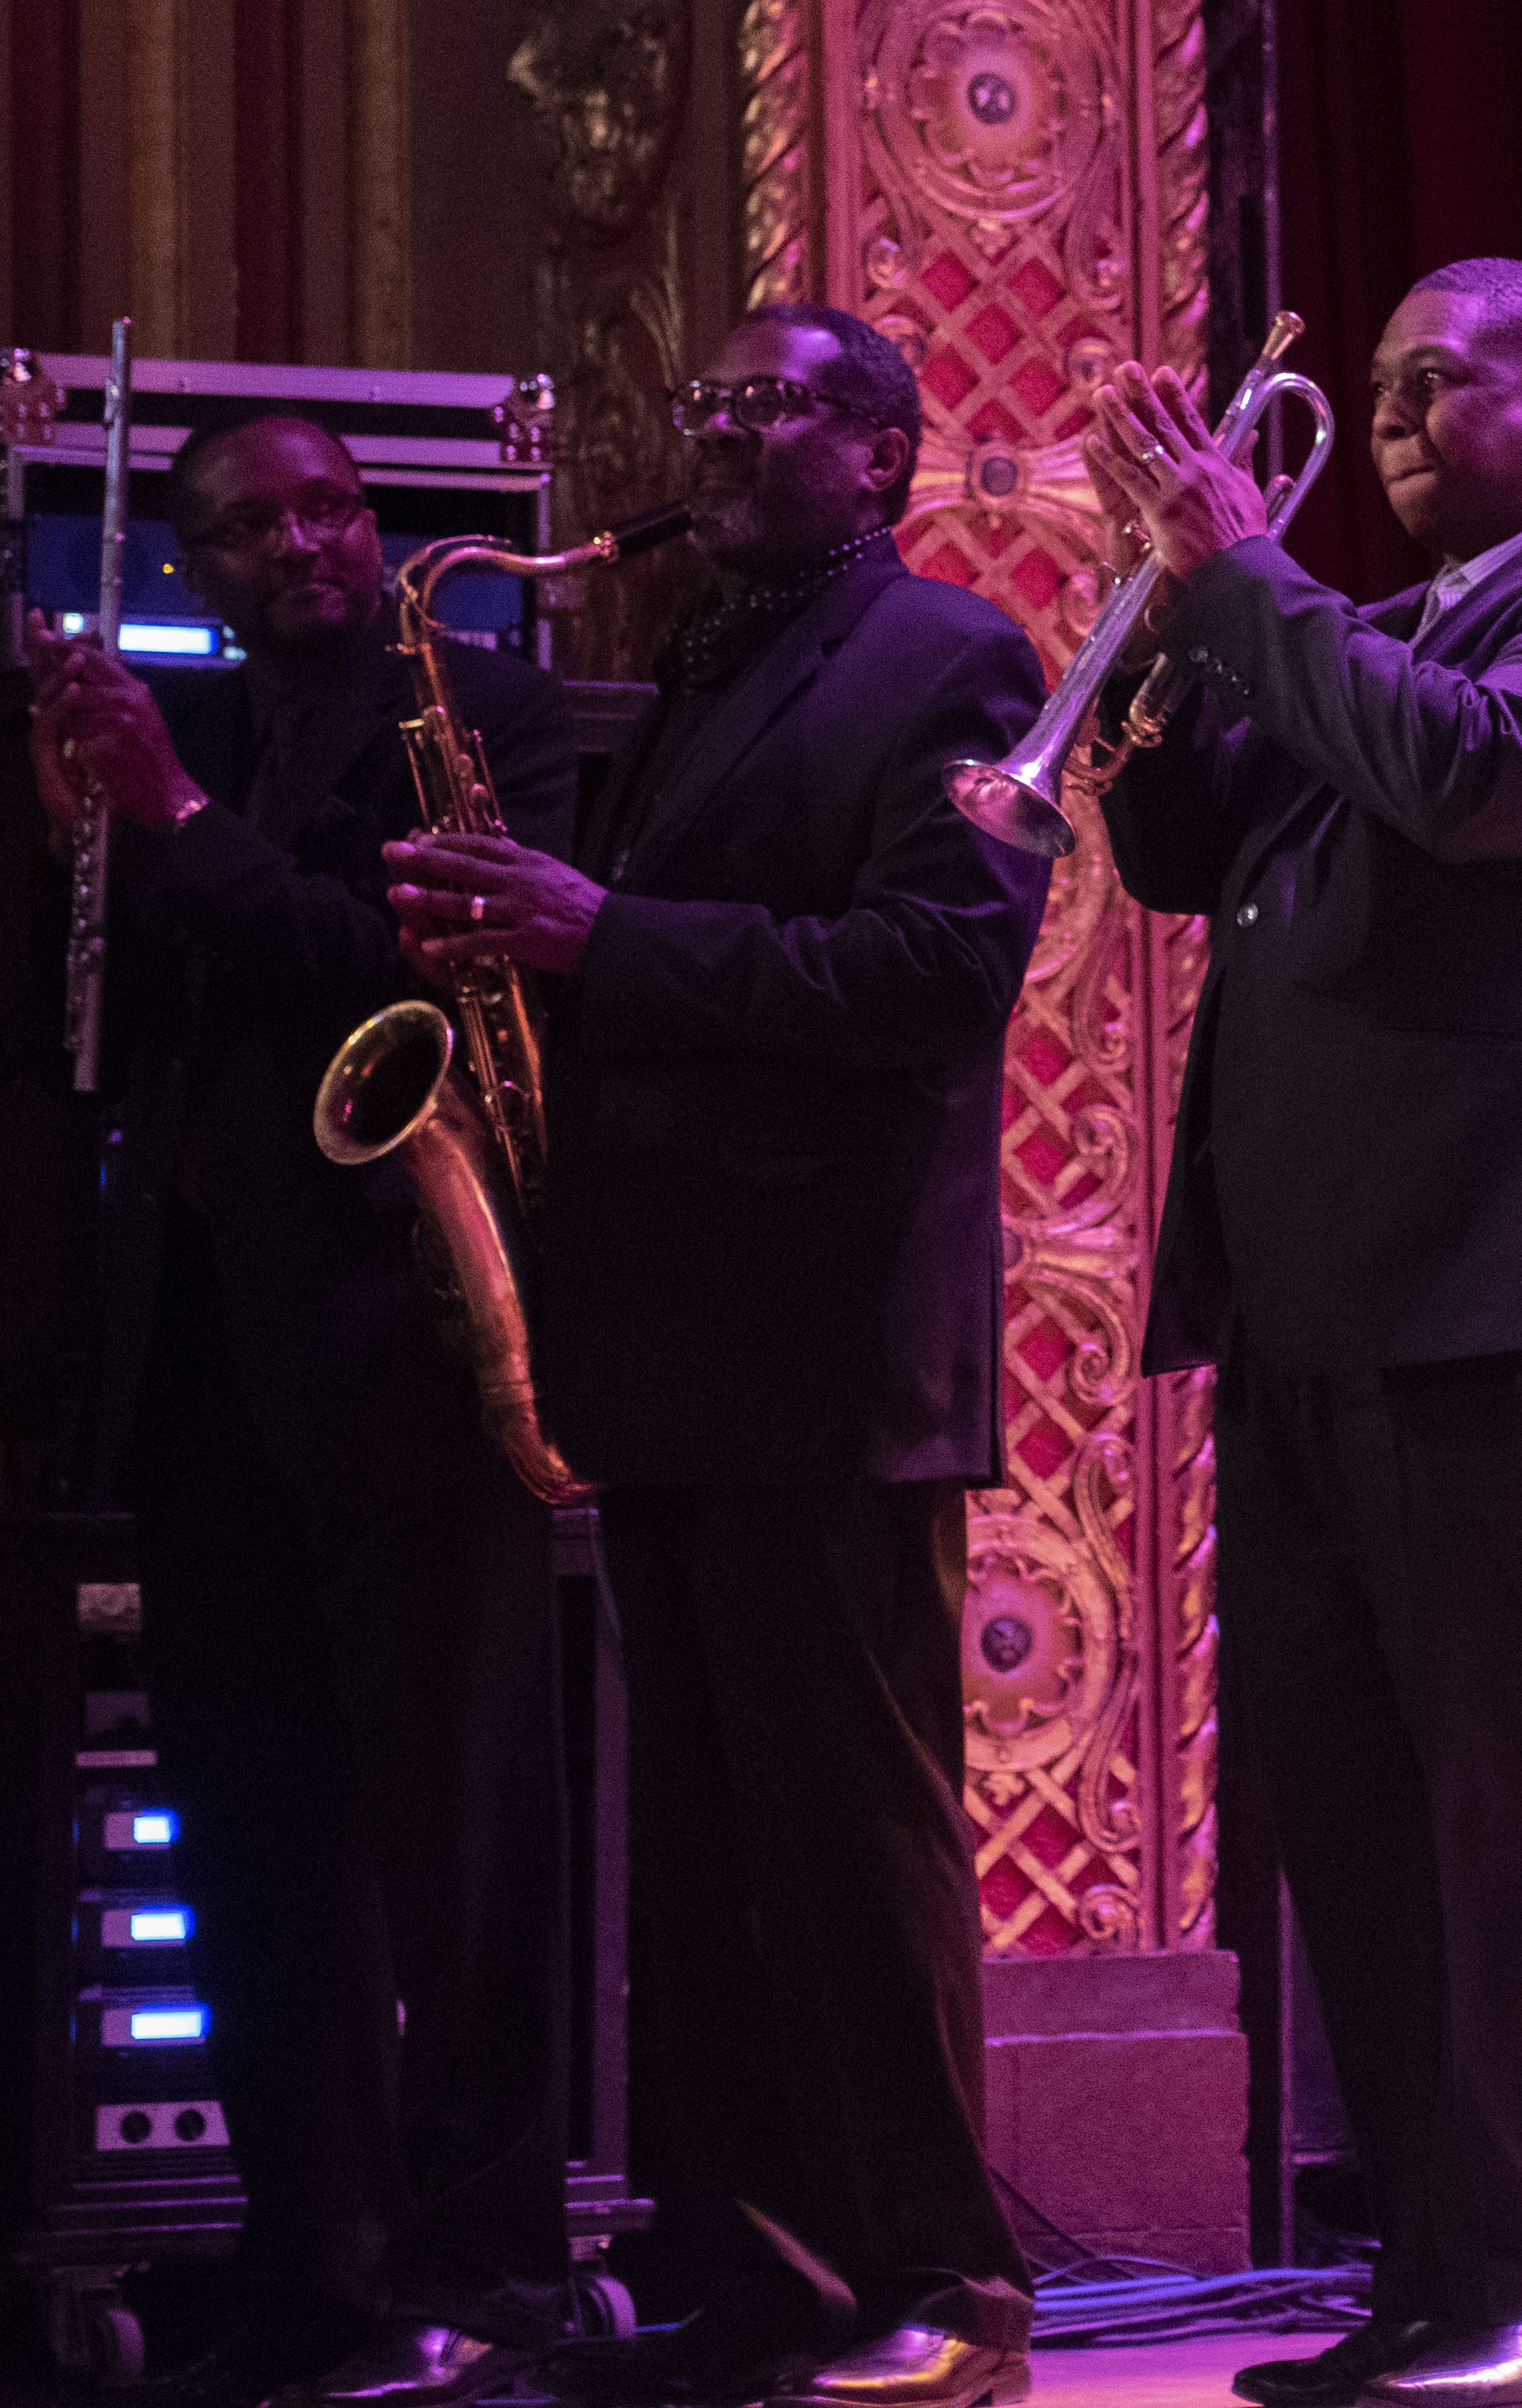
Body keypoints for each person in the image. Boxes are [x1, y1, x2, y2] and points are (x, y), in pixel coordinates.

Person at [1081, 260, 1522, 2408]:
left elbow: (1463, 788)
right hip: (1312, 1285)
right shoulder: (1372, 628)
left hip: (1515, 1271)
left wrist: (1243, 579)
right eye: (1374, 381)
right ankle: (1443, 2276)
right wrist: (1162, 640)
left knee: (1509, 1790)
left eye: (1434, 381)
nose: (1381, 413)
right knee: (1353, 1797)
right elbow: (1186, 856)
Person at [386, 306, 1049, 2408]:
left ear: (883, 451)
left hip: (829, 1342)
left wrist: (600, 934)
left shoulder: (955, 661)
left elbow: (940, 979)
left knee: (853, 1844)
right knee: (707, 1854)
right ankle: (771, 2273)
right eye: (707, 409)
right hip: (666, 1337)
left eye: (770, 408)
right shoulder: (686, 665)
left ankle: (959, 2288)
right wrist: (517, 963)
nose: (723, 439)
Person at [23, 415, 576, 2408]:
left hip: (413, 1351)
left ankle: (493, 2270)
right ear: (200, 568)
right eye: (254, 527)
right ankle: (314, 2257)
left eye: (334, 506)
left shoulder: (479, 706)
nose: (309, 544)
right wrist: (88, 840)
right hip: (211, 1368)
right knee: (258, 1845)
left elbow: (388, 971)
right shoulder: (206, 744)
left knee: (464, 1841)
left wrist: (168, 821)